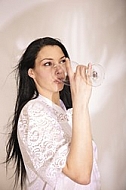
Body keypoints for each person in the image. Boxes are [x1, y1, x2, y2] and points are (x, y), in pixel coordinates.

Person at [5, 37, 101, 190]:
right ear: (31, 72)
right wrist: (81, 103)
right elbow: (81, 175)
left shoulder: (65, 109)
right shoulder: (34, 111)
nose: (59, 70)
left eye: (62, 61)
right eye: (48, 64)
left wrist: (78, 105)